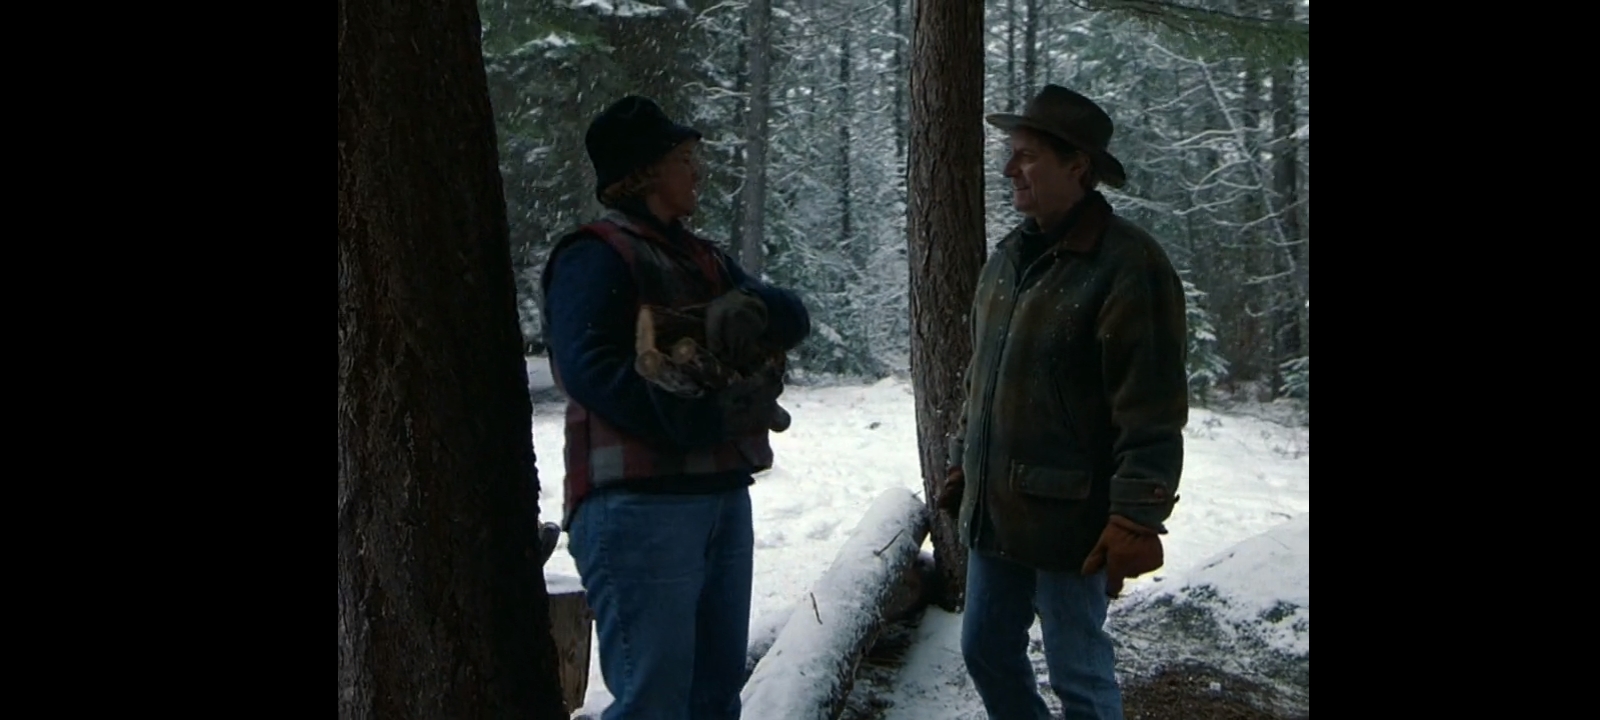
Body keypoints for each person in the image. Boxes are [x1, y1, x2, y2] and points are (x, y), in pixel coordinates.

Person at [540, 95, 811, 719]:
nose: (698, 172)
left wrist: (760, 311)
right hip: (636, 506)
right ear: (646, 171)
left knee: (714, 698)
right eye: (685, 159)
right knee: (654, 702)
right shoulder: (592, 254)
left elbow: (793, 316)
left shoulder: (705, 258)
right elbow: (589, 371)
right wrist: (697, 420)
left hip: (718, 496)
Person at [935, 84, 1189, 720]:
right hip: (996, 511)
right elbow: (981, 379)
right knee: (986, 650)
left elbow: (1151, 408)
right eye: (1010, 155)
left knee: (1078, 673)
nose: (1007, 170)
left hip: (1077, 523)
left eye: (1025, 156)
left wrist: (1134, 516)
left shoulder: (1129, 265)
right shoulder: (1008, 258)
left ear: (1078, 165)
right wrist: (968, 459)